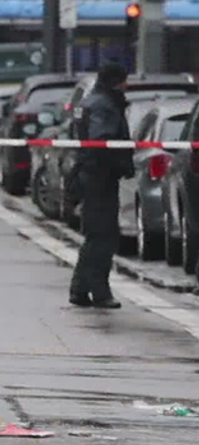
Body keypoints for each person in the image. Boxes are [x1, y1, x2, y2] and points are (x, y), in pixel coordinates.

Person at [68, 62, 134, 309]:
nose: (127, 86)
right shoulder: (103, 106)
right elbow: (101, 142)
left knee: (95, 235)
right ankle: (99, 292)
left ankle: (81, 289)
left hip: (91, 175)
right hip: (100, 178)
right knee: (103, 237)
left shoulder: (90, 101)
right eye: (124, 81)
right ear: (115, 81)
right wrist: (119, 165)